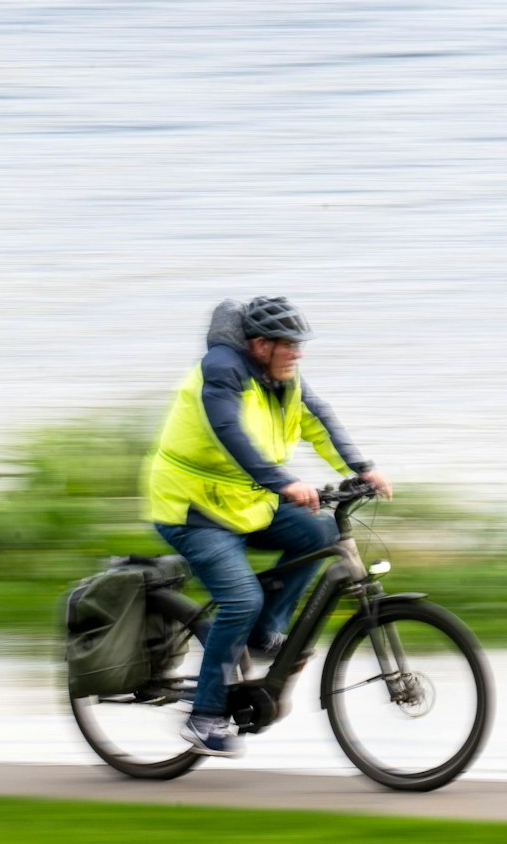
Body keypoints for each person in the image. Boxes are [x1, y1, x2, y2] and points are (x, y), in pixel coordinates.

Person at [144, 296, 392, 757]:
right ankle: (203, 717)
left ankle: (262, 632)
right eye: (288, 345)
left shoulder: (283, 378)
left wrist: (361, 468)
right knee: (240, 599)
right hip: (193, 508)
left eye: (298, 345)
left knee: (318, 534)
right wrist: (284, 481)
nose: (297, 354)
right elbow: (229, 433)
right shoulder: (221, 371)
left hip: (247, 502)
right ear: (260, 345)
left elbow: (319, 420)